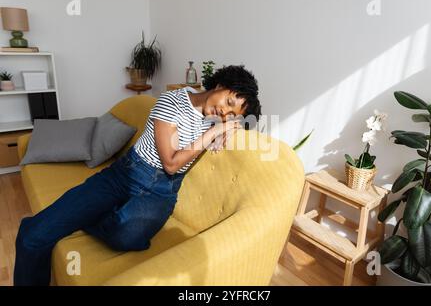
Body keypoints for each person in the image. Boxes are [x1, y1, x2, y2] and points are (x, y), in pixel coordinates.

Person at [13, 65, 262, 286]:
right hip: (125, 174)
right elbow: (171, 162)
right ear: (220, 84)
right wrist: (210, 135)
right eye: (229, 103)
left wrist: (232, 126)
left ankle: (91, 217)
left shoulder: (216, 120)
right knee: (33, 235)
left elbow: (175, 171)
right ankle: (84, 213)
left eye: (232, 115)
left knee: (125, 236)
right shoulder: (172, 102)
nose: (224, 114)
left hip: (161, 191)